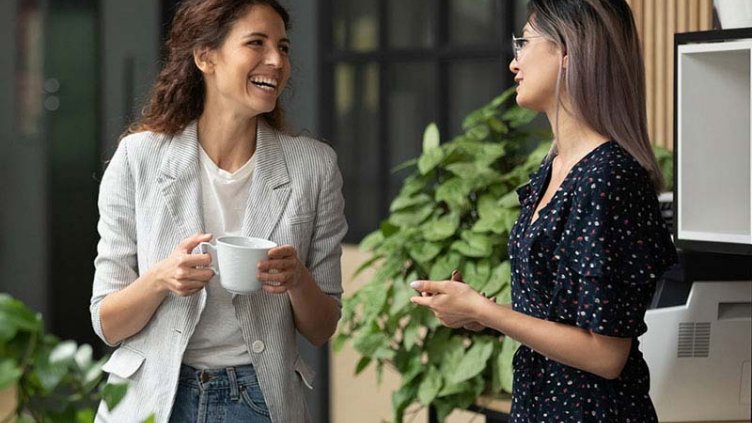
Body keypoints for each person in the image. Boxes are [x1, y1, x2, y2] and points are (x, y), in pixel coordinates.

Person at [410, 0, 676, 422]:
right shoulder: (552, 168)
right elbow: (559, 321)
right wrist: (478, 312)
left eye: (525, 43)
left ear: (568, 50)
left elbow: (606, 354)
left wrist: (485, 310)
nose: (514, 62)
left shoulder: (609, 177)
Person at [89, 1, 347, 421]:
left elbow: (321, 328)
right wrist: (161, 279)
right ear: (205, 56)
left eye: (283, 47)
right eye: (256, 43)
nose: (276, 60)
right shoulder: (139, 158)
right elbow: (108, 322)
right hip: (154, 397)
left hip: (259, 400)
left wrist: (297, 279)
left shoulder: (314, 167)